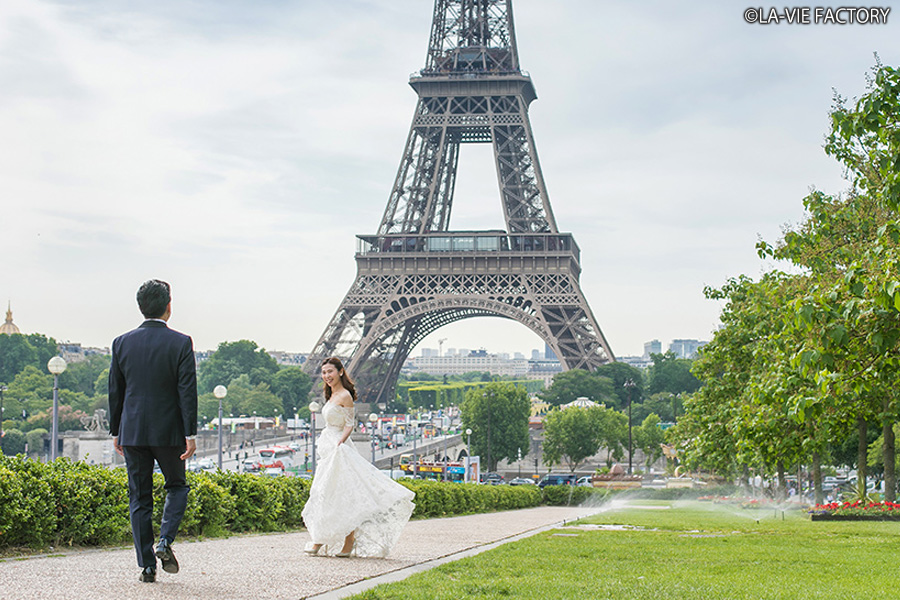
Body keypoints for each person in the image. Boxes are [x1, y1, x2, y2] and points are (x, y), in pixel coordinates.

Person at [108, 279, 198, 583]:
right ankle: (165, 541)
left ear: (140, 307)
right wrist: (191, 433)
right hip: (169, 431)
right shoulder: (181, 342)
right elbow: (187, 392)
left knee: (139, 498)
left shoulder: (121, 342)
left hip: (132, 430)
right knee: (177, 486)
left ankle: (146, 566)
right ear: (169, 306)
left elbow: (115, 392)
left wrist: (116, 430)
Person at [301, 357, 415, 558]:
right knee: (324, 492)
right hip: (328, 447)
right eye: (324, 372)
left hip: (338, 448)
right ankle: (321, 537)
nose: (327, 376)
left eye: (330, 372)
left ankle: (347, 540)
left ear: (341, 372)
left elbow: (349, 424)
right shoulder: (331, 394)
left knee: (341, 493)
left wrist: (340, 443)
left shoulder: (344, 395)